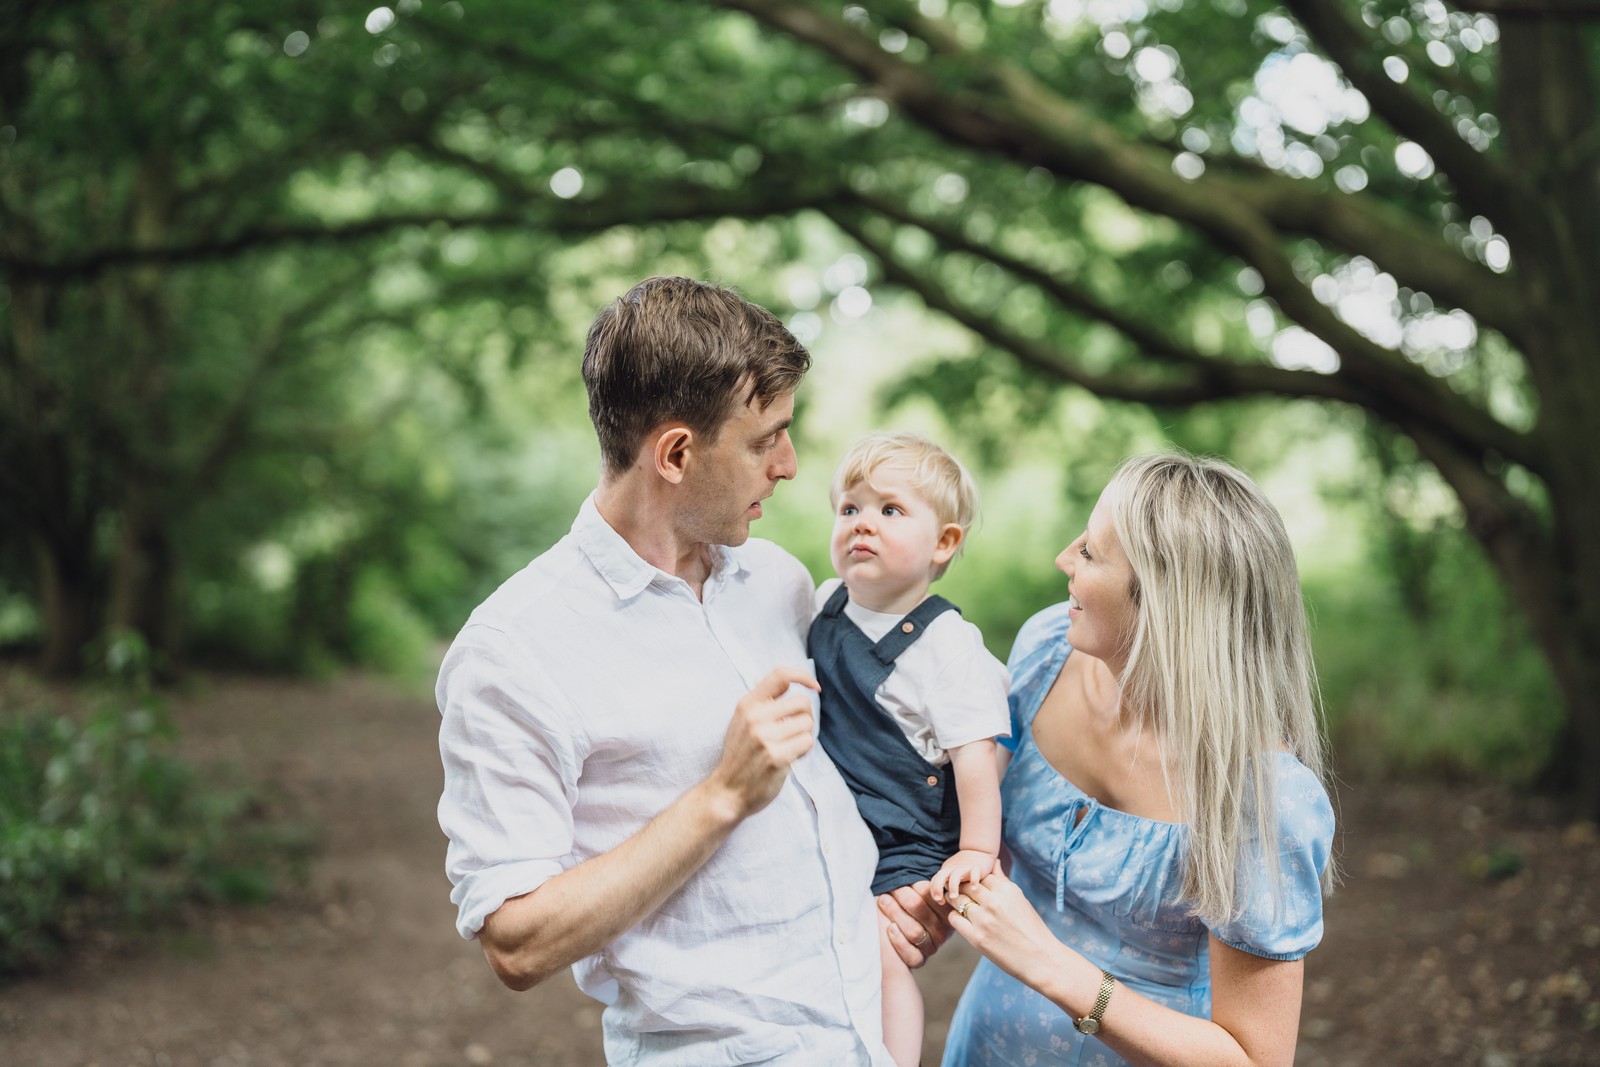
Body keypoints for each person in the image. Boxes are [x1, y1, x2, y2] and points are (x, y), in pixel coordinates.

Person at [435, 276, 912, 1066]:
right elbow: (515, 941)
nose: (791, 466)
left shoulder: (780, 582)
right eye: (765, 440)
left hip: (870, 1037)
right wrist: (721, 796)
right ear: (677, 453)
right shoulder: (513, 650)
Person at [939, 452, 1337, 1067]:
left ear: (1165, 603)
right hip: (985, 1046)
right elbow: (979, 814)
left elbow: (1257, 1060)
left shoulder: (1264, 795)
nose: (1064, 560)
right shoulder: (1047, 648)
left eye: (1091, 553)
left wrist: (1052, 967)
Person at [810, 432, 1011, 1067]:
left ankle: (893, 1057)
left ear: (943, 543)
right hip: (847, 818)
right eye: (849, 509)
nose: (862, 523)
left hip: (908, 836)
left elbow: (978, 755)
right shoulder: (824, 603)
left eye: (889, 510)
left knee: (877, 949)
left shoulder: (948, 649)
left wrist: (975, 850)